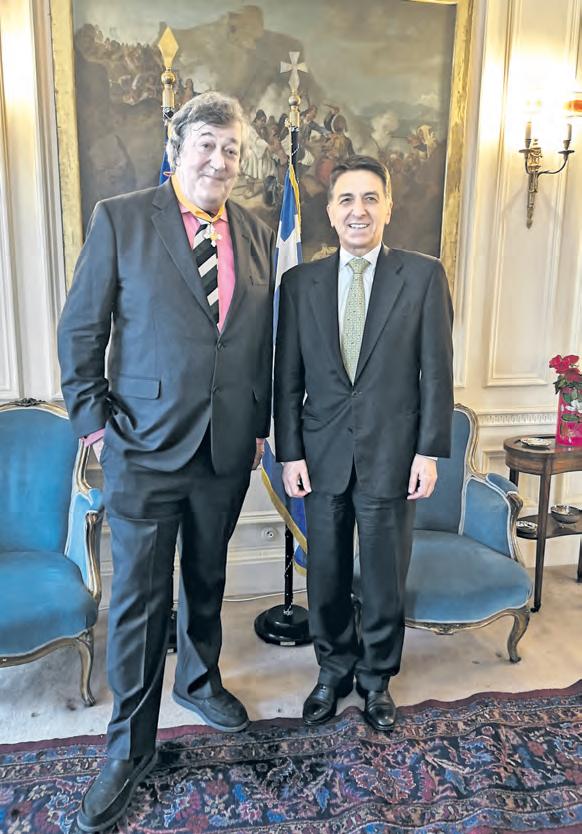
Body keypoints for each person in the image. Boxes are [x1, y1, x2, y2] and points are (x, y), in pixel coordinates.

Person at [58, 91, 275, 832]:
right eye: (207, 144)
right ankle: (129, 746)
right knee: (139, 603)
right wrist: (94, 427)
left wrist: (258, 423)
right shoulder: (122, 218)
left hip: (226, 447)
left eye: (232, 149)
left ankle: (200, 680)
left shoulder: (255, 232)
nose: (220, 160)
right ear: (178, 147)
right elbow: (81, 328)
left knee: (207, 579)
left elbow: (258, 339)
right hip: (142, 445)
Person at [273, 155, 453, 733]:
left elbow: (436, 373)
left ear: (388, 208)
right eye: (347, 199)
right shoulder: (299, 284)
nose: (359, 210)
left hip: (392, 456)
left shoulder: (422, 277)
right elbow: (287, 377)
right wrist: (289, 452)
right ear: (330, 212)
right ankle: (332, 670)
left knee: (382, 576)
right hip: (321, 456)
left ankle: (376, 678)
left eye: (371, 198)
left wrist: (428, 452)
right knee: (325, 574)